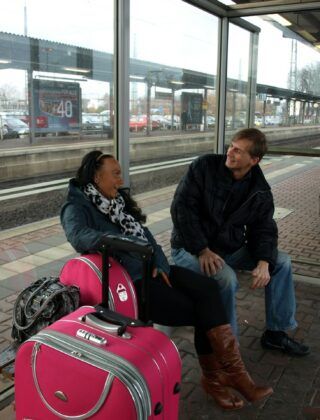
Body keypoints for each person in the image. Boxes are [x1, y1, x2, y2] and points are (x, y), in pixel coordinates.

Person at [60, 150, 273, 411]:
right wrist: (126, 244)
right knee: (200, 312)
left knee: (209, 288)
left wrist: (159, 262)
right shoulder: (77, 206)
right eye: (115, 173)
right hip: (129, 284)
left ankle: (229, 375)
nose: (121, 178)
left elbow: (147, 236)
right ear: (96, 175)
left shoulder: (116, 202)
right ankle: (220, 379)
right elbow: (78, 236)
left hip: (153, 269)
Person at [170, 128, 310, 356]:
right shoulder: (204, 167)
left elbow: (264, 227)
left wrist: (264, 260)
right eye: (231, 146)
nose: (230, 152)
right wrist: (202, 249)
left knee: (281, 262)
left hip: (229, 248)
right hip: (189, 248)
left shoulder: (259, 189)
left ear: (254, 160)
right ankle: (226, 349)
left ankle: (276, 333)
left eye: (238, 150)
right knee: (227, 278)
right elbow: (181, 210)